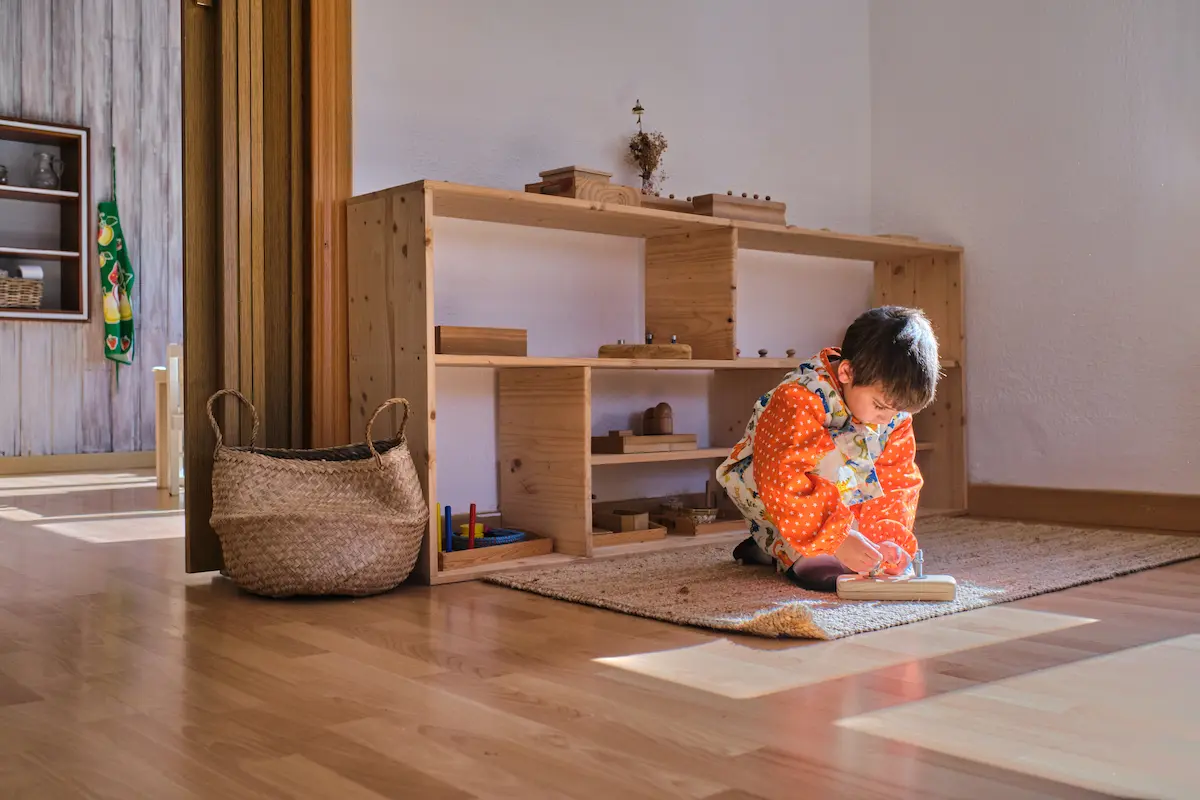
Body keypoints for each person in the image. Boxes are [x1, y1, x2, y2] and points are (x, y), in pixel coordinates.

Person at [716, 306, 941, 592]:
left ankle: (775, 548)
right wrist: (837, 539)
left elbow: (896, 481)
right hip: (771, 489)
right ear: (847, 372)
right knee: (829, 456)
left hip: (833, 495)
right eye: (881, 407)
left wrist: (886, 541)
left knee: (878, 472)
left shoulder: (892, 415)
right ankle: (791, 548)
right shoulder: (799, 399)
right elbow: (783, 476)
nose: (887, 418)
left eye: (898, 411)